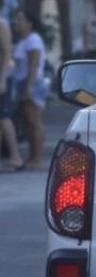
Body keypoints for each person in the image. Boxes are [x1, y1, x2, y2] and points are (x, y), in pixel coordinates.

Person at [12, 9, 47, 169]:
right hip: (22, 82)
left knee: (34, 121)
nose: (16, 22)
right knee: (27, 121)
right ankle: (32, 155)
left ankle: (38, 157)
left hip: (32, 82)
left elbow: (34, 64)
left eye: (20, 19)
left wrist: (29, 86)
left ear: (30, 24)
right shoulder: (23, 41)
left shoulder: (33, 40)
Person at [0, 13, 24, 171]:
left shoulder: (2, 24)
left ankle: (16, 156)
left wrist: (2, 79)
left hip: (2, 76)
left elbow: (7, 52)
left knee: (4, 116)